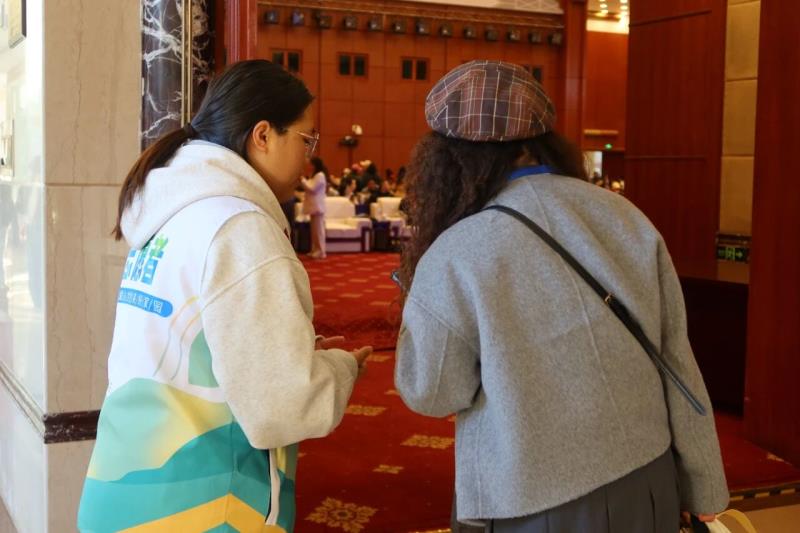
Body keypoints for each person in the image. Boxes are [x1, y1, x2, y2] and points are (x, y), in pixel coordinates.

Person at [394, 60, 728, 533]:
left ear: (446, 162)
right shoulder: (626, 216)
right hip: (648, 477)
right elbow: (676, 358)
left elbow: (431, 393)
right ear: (544, 139)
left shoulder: (458, 251)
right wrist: (705, 485)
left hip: (529, 497)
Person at [77, 60, 371, 533]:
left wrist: (291, 352)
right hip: (204, 506)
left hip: (124, 486)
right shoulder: (240, 227)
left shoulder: (171, 209)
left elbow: (199, 347)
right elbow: (282, 407)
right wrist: (341, 368)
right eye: (306, 139)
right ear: (263, 135)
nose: (309, 157)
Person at [302, 156, 329, 259]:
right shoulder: (314, 175)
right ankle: (315, 249)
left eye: (311, 164)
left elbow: (312, 188)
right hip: (314, 207)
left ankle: (321, 251)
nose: (309, 166)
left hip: (318, 206)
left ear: (315, 165)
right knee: (314, 231)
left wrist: (303, 180)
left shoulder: (320, 175)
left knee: (318, 231)